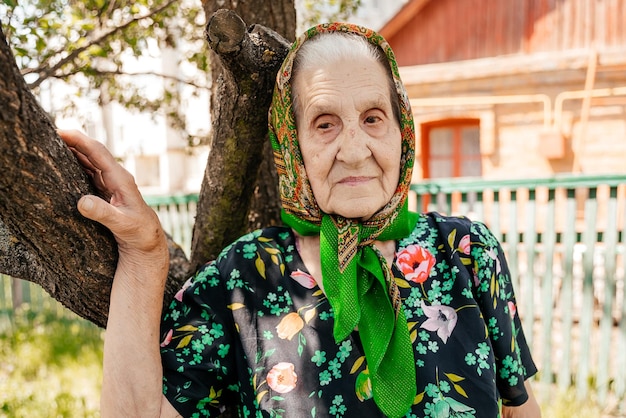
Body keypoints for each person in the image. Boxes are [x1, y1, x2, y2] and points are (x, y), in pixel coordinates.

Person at [60, 22, 541, 418]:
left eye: (373, 118)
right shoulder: (246, 277)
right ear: (292, 146)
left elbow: (519, 408)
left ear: (402, 130)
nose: (354, 151)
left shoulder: (467, 251)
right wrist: (144, 257)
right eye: (325, 123)